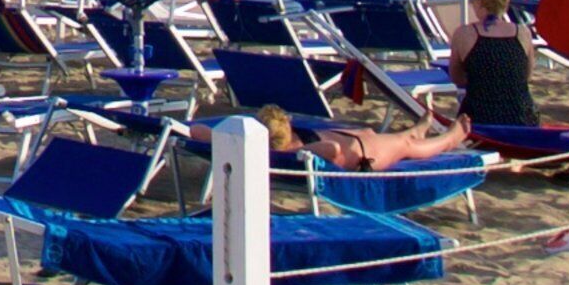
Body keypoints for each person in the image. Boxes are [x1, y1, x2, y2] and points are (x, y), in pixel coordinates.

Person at [196, 105, 473, 175]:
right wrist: (301, 149)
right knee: (406, 147)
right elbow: (332, 148)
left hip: (357, 141)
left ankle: (415, 129)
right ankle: (450, 137)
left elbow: (196, 130)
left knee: (381, 134)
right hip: (364, 155)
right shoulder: (301, 152)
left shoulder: (251, 148)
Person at [446, 0, 542, 129]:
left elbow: (457, 78)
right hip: (522, 119)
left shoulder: (464, 34)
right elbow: (526, 76)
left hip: (480, 119)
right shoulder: (522, 33)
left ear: (480, 2)